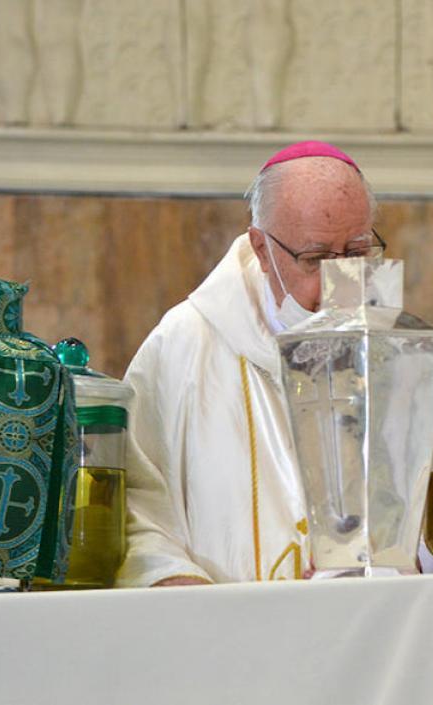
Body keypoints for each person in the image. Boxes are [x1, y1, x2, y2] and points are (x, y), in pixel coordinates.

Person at [117, 141, 383, 587]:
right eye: (315, 259)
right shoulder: (183, 345)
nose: (336, 285)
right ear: (261, 248)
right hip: (221, 638)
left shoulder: (394, 348)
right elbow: (133, 510)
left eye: (356, 254)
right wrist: (178, 584)